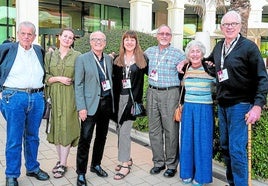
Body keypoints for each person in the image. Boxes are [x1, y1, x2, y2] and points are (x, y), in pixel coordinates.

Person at [201, 11, 268, 185]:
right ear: (221, 27)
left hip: (241, 105)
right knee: (225, 147)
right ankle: (232, 182)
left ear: (239, 26)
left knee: (237, 149)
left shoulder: (249, 47)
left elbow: (262, 77)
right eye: (226, 24)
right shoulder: (219, 46)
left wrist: (258, 105)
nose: (229, 27)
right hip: (222, 104)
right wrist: (187, 62)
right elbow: (209, 63)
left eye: (233, 24)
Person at [0, 21, 50, 186]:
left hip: (36, 98)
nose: (26, 37)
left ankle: (32, 168)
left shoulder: (38, 50)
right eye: (23, 33)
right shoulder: (7, 49)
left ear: (35, 36)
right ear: (18, 33)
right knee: (14, 138)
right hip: (14, 97)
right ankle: (12, 175)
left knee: (33, 136)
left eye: (30, 34)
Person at [144, 24, 185, 178]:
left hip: (170, 93)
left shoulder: (178, 53)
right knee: (154, 130)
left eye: (167, 34)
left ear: (171, 37)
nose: (164, 36)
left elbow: (193, 57)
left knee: (170, 130)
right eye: (161, 33)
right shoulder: (149, 52)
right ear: (157, 35)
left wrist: (185, 60)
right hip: (152, 92)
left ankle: (172, 164)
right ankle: (158, 162)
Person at [74, 31, 114, 186]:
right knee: (85, 139)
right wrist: (81, 107)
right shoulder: (82, 59)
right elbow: (78, 85)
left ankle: (96, 165)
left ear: (105, 42)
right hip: (89, 106)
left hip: (106, 105)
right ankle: (81, 173)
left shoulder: (109, 60)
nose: (98, 42)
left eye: (101, 39)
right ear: (90, 42)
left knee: (102, 138)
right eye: (95, 39)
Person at [44, 28, 81, 179]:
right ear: (59, 37)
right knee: (57, 129)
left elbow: (79, 80)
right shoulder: (50, 55)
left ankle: (63, 164)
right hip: (55, 96)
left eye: (70, 37)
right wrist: (58, 79)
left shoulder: (77, 56)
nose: (67, 39)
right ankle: (60, 161)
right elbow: (46, 76)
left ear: (73, 41)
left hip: (69, 96)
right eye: (65, 36)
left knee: (67, 128)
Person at [112, 30, 148, 180]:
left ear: (136, 42)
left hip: (131, 101)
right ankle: (126, 157)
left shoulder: (142, 59)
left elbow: (153, 74)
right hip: (118, 99)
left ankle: (125, 163)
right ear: (123, 42)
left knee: (125, 131)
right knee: (119, 130)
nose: (129, 42)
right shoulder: (116, 59)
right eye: (126, 39)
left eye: (132, 40)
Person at [179, 40, 215, 186]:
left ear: (202, 54)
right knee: (187, 141)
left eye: (197, 51)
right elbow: (181, 85)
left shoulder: (209, 68)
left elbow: (220, 84)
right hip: (188, 108)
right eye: (192, 51)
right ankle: (186, 173)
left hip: (204, 108)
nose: (194, 54)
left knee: (202, 142)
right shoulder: (185, 67)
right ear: (188, 54)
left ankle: (201, 177)